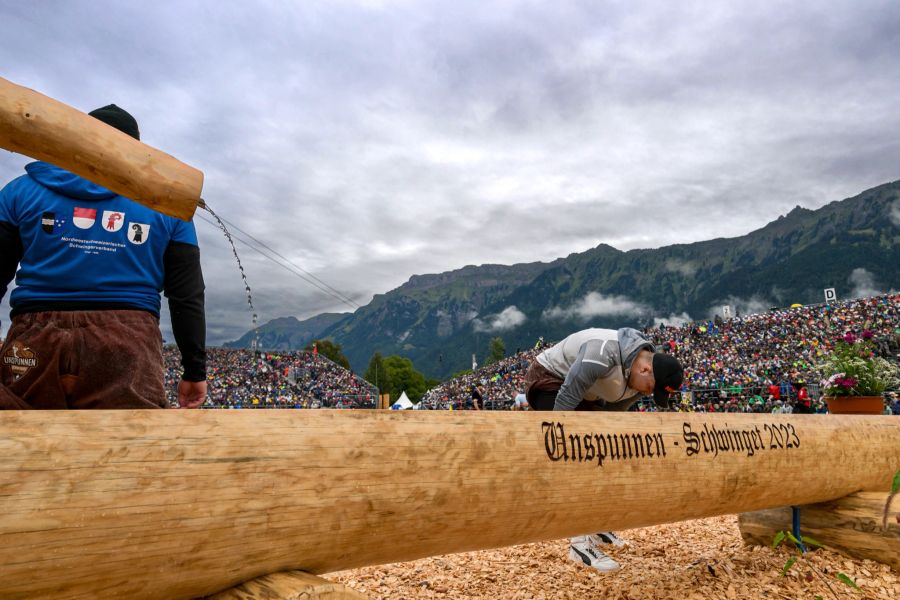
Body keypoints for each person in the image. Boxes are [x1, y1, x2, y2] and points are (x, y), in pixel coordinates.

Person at [0, 104, 206, 409]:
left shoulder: (19, 191)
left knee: (16, 446)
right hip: (127, 342)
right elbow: (186, 296)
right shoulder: (167, 205)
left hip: (33, 338)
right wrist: (194, 369)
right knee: (129, 448)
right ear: (137, 151)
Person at [524, 327, 684, 572]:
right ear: (644, 369)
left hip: (588, 392)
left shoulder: (637, 379)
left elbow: (610, 420)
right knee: (576, 455)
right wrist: (559, 449)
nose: (647, 393)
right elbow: (567, 398)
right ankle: (577, 541)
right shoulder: (602, 352)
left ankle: (594, 522)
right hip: (550, 379)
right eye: (650, 388)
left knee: (601, 452)